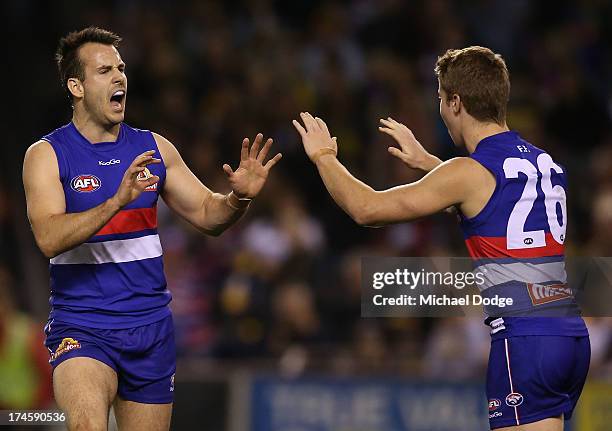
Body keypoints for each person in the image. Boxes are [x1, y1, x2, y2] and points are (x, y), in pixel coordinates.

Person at [293, 46, 590, 431]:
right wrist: (430, 165)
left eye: (439, 98)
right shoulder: (543, 163)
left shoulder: (467, 172)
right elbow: (490, 204)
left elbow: (366, 209)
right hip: (569, 335)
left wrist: (324, 157)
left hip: (525, 337)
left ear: (455, 102)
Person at [23, 27, 281, 431]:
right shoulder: (47, 155)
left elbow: (209, 216)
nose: (119, 77)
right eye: (105, 70)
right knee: (86, 426)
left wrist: (238, 199)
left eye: (121, 68)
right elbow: (48, 237)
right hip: (84, 326)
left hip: (151, 329)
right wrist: (115, 202)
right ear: (76, 85)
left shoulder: (154, 149)